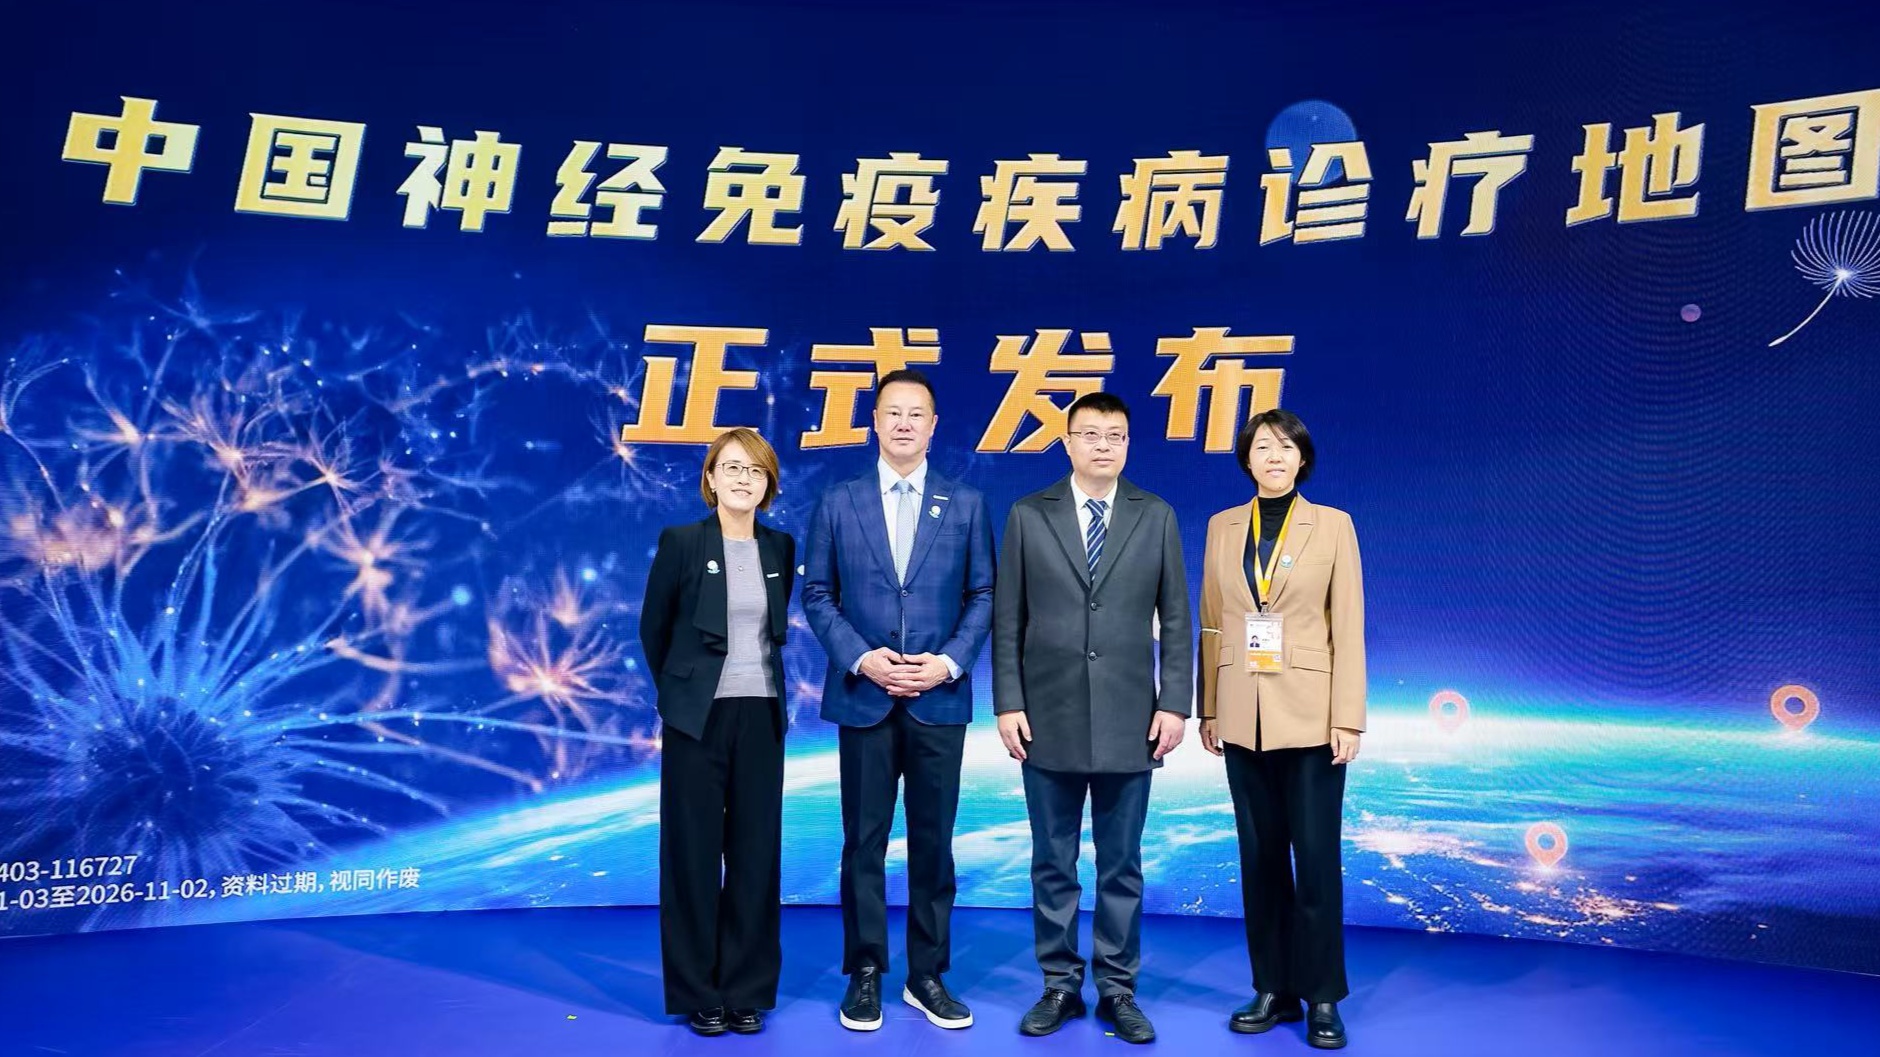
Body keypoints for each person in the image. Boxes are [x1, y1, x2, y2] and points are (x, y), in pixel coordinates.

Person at [991, 392, 1191, 1045]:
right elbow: (1008, 618)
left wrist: (1174, 702)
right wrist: (1008, 701)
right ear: (1068, 442)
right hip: (1045, 716)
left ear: (1127, 444)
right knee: (1053, 861)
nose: (1104, 445)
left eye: (1116, 435)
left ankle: (1117, 988)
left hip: (1133, 718)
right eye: (1091, 434)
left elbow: (1177, 619)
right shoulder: (1029, 514)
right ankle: (1058, 983)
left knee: (1121, 863)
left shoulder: (1155, 515)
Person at [801, 368, 996, 1032]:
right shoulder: (838, 501)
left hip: (938, 698)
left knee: (934, 843)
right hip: (865, 696)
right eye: (893, 412)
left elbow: (983, 594)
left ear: (934, 426)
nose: (905, 423)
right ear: (875, 423)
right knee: (864, 842)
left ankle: (926, 974)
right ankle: (864, 972)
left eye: (917, 413)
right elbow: (817, 594)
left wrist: (945, 663)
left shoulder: (965, 503)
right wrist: (863, 657)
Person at [1196, 409, 1365, 1050]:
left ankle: (1321, 995)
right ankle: (1273, 987)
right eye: (1262, 446)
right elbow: (1212, 622)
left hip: (1313, 717)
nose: (1274, 455)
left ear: (1302, 459)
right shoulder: (1221, 527)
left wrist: (1347, 717)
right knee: (1260, 860)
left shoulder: (1334, 525)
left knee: (1315, 861)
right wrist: (1210, 707)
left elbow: (1348, 624)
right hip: (1243, 716)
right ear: (1246, 458)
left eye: (1286, 446)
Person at [639, 428, 795, 1037]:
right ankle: (698, 992)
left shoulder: (779, 545)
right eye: (731, 467)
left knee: (756, 856)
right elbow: (654, 629)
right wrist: (682, 690)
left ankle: (745, 990)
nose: (742, 479)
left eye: (755, 471)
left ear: (768, 483)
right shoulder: (682, 542)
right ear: (710, 478)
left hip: (761, 714)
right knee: (692, 855)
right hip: (695, 718)